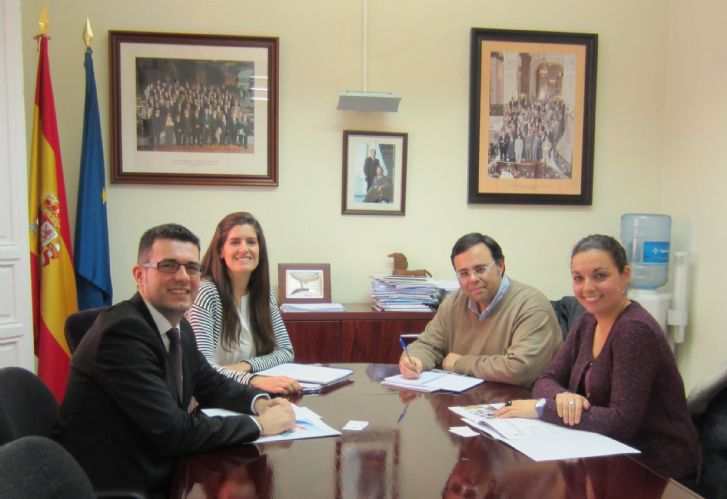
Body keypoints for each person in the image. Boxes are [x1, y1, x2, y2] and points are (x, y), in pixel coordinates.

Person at [55, 223, 295, 495]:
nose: (182, 277)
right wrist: (260, 425)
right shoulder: (121, 334)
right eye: (168, 266)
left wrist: (260, 402)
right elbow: (174, 431)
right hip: (118, 483)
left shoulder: (179, 326)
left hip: (160, 466)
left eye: (192, 267)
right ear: (139, 275)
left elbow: (212, 384)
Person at [495, 234, 699, 479]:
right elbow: (546, 380)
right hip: (603, 449)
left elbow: (620, 422)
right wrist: (563, 397)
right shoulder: (587, 321)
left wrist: (541, 408)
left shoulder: (634, 330)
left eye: (600, 276)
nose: (587, 287)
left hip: (655, 467)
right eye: (578, 278)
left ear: (625, 275)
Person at [399, 233, 562, 388]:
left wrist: (459, 363)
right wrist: (414, 360)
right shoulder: (453, 304)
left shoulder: (531, 305)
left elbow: (520, 369)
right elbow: (428, 345)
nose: (473, 279)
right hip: (467, 400)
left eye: (480, 269)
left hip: (520, 402)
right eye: (464, 273)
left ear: (500, 266)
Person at [186, 212, 300, 395]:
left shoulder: (264, 294)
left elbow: (286, 351)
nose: (244, 249)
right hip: (209, 396)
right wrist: (254, 379)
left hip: (247, 394)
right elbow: (203, 368)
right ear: (220, 251)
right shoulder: (205, 293)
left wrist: (246, 365)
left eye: (251, 242)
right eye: (235, 242)